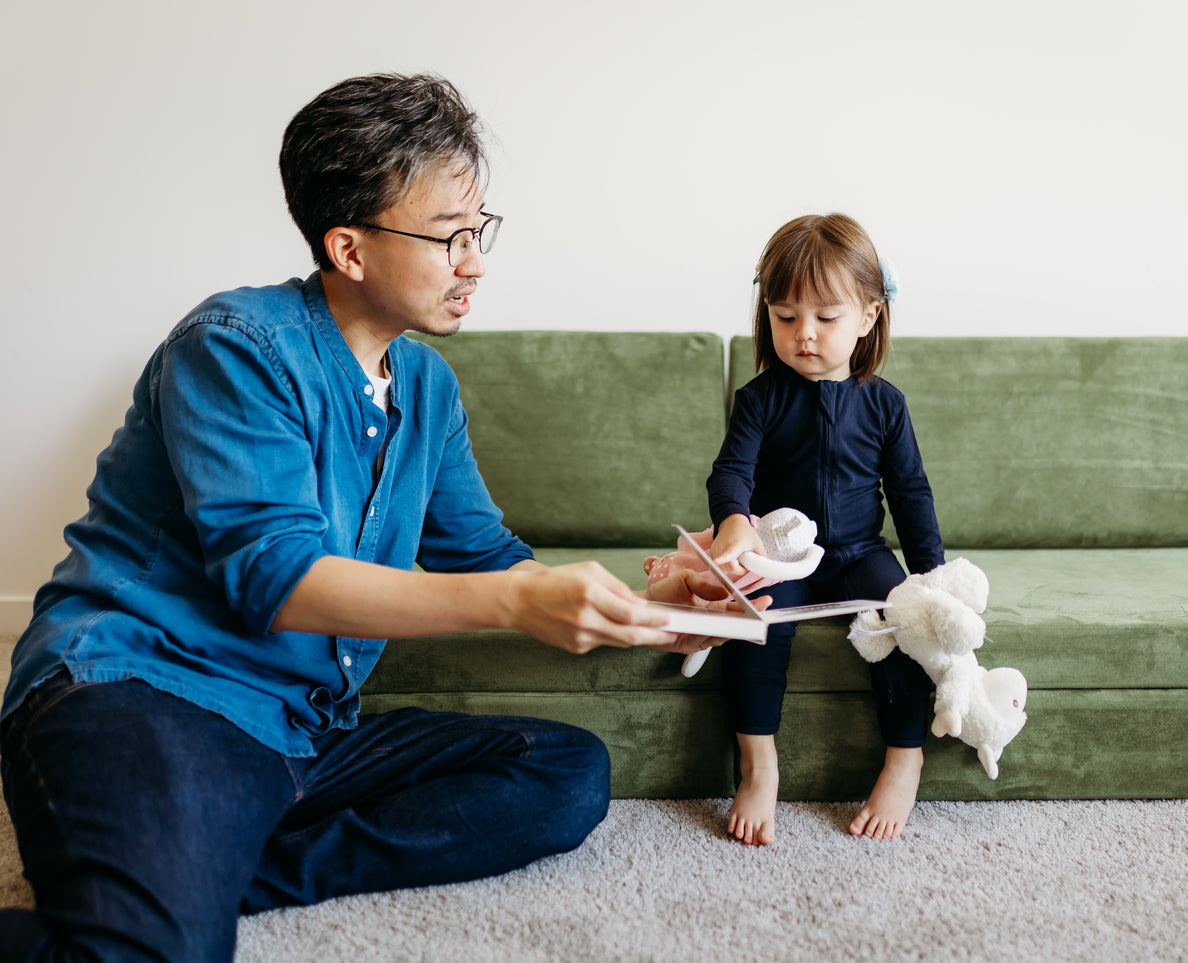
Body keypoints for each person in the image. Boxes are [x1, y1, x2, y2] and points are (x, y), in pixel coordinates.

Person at [0, 73, 731, 962]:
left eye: (480, 229)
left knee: (562, 772)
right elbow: (275, 575)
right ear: (348, 249)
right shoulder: (234, 344)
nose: (476, 260)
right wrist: (512, 604)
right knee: (153, 953)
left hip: (302, 733)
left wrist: (655, 608)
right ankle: (163, 889)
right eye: (449, 236)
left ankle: (203, 868)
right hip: (151, 694)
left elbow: (487, 556)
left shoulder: (426, 386)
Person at [705, 213, 945, 845]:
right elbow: (729, 474)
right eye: (785, 318)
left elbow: (910, 494)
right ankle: (758, 766)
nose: (803, 336)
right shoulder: (759, 400)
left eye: (825, 318)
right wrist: (733, 525)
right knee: (753, 625)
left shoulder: (886, 404)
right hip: (782, 558)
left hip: (860, 553)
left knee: (902, 625)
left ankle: (904, 759)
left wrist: (932, 577)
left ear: (869, 315)